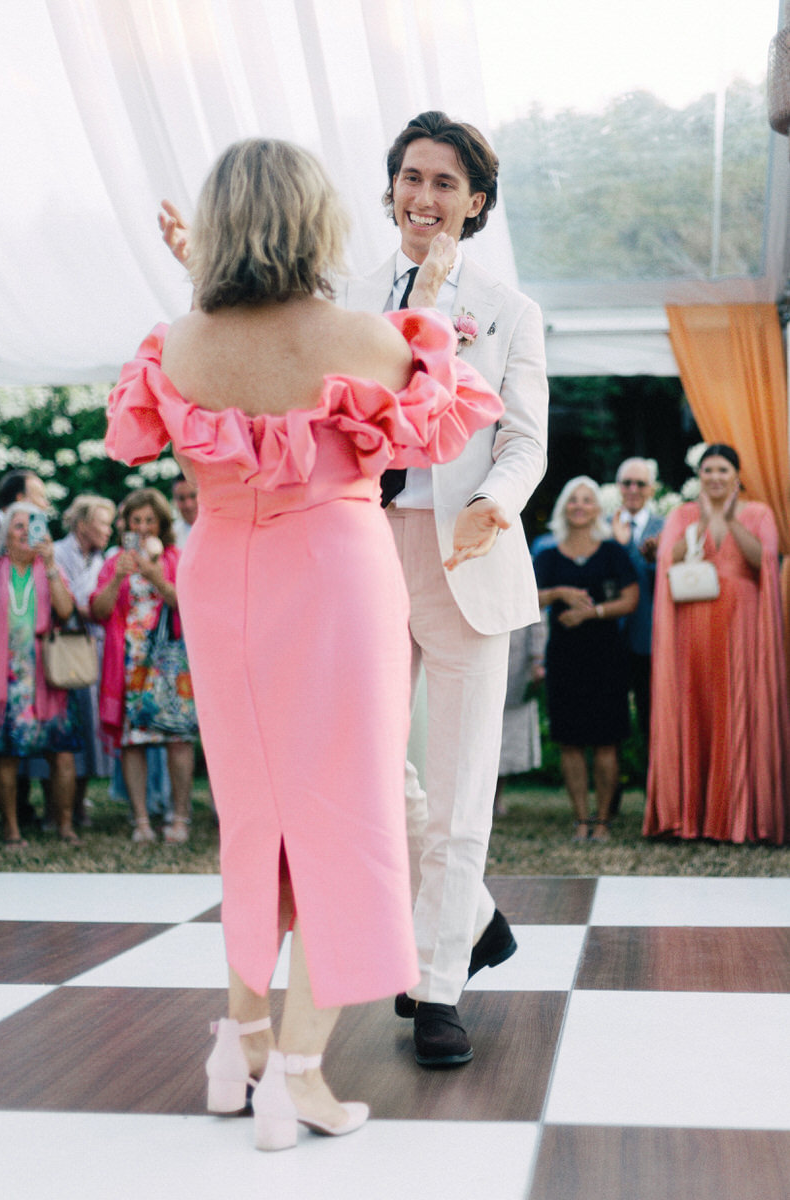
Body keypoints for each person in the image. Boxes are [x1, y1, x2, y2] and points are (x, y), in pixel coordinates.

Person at [132, 138, 503, 1148]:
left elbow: (217, 373)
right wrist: (434, 293)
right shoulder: (365, 340)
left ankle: (239, 1046)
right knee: (346, 818)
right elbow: (440, 423)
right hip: (335, 580)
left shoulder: (176, 347)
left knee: (255, 820)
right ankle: (297, 1080)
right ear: (315, 220)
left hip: (222, 580)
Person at [339, 110, 549, 1066]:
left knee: (464, 787)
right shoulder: (346, 301)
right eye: (411, 177)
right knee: (368, 768)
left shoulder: (508, 310)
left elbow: (524, 441)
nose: (424, 197)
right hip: (363, 553)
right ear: (392, 188)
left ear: (475, 202)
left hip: (468, 556)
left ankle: (436, 989)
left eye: (445, 183)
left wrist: (494, 505)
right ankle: (475, 920)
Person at [644, 443, 790, 844]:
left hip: (742, 624)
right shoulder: (683, 514)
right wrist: (703, 521)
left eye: (723, 470)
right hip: (693, 624)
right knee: (698, 705)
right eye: (708, 470)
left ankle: (738, 816)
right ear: (699, 476)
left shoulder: (758, 513)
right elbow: (669, 560)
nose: (715, 477)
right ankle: (689, 815)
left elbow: (764, 560)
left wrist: (728, 519)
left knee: (737, 706)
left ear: (737, 476)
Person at [0, 502, 81, 847]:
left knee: (61, 753)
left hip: (48, 677)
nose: (25, 532)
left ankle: (65, 826)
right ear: (5, 534)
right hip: (5, 679)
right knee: (5, 754)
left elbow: (66, 611)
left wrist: (50, 566)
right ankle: (12, 830)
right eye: (18, 526)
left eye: (32, 526)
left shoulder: (51, 569)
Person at [534, 477, 639, 841]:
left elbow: (630, 600)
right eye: (573, 499)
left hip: (606, 657)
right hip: (564, 658)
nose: (579, 505)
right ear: (564, 507)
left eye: (587, 500)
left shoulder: (613, 553)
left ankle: (603, 821)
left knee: (607, 741)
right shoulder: (548, 555)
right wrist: (559, 593)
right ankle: (581, 819)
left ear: (597, 509)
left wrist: (591, 613)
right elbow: (530, 597)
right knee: (570, 741)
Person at [90, 487, 195, 845]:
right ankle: (141, 820)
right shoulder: (113, 562)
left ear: (162, 523)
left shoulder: (176, 557)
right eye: (136, 520)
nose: (143, 526)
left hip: (171, 663)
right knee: (133, 742)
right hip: (130, 662)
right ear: (126, 524)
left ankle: (179, 817)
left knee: (178, 739)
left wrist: (153, 575)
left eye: (150, 520)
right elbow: (98, 611)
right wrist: (118, 577)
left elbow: (187, 602)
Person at [0, 470, 50, 827]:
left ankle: (23, 808)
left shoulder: (40, 548)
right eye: (38, 494)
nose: (43, 503)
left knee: (21, 741)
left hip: (31, 662)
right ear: (20, 497)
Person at [54, 494, 117, 825]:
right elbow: (64, 602)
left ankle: (79, 802)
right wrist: (90, 608)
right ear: (81, 525)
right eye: (103, 523)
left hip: (93, 650)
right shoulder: (57, 554)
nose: (109, 530)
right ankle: (55, 807)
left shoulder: (100, 560)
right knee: (62, 728)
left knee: (89, 727)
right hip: (62, 649)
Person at [609, 458, 664, 815]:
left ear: (651, 489)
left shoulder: (665, 526)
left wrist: (638, 551)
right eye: (627, 482)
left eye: (639, 484)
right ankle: (608, 802)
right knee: (611, 722)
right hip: (609, 639)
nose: (632, 489)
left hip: (650, 639)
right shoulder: (602, 524)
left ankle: (656, 801)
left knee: (651, 721)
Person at [494, 619, 546, 815]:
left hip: (516, 670)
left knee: (508, 740)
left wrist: (537, 660)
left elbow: (537, 620)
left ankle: (495, 799)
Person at [171, 473, 198, 548]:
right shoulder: (172, 535)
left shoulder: (219, 529)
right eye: (181, 498)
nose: (189, 505)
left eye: (193, 496)